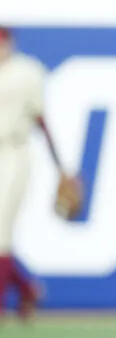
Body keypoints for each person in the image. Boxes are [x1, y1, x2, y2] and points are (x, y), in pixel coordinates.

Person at [0, 26, 76, 321]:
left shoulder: (27, 72)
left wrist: (59, 166)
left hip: (12, 152)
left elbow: (41, 119)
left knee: (1, 232)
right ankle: (27, 288)